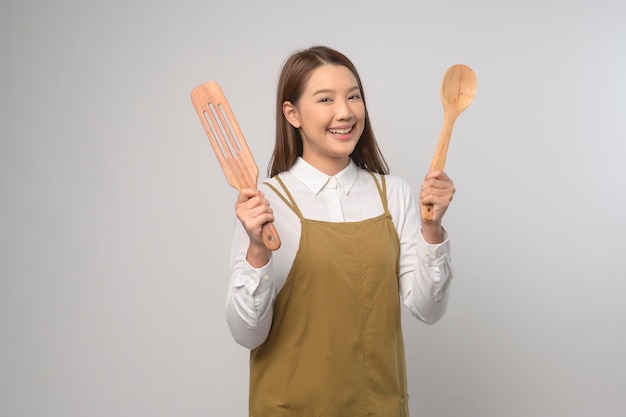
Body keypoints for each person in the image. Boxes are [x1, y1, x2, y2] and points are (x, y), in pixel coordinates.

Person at [225, 45, 455, 416]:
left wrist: (432, 228)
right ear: (292, 113)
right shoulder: (266, 202)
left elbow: (428, 310)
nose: (345, 112)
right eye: (325, 99)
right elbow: (247, 334)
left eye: (353, 97)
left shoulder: (392, 194)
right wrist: (257, 251)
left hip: (377, 406)